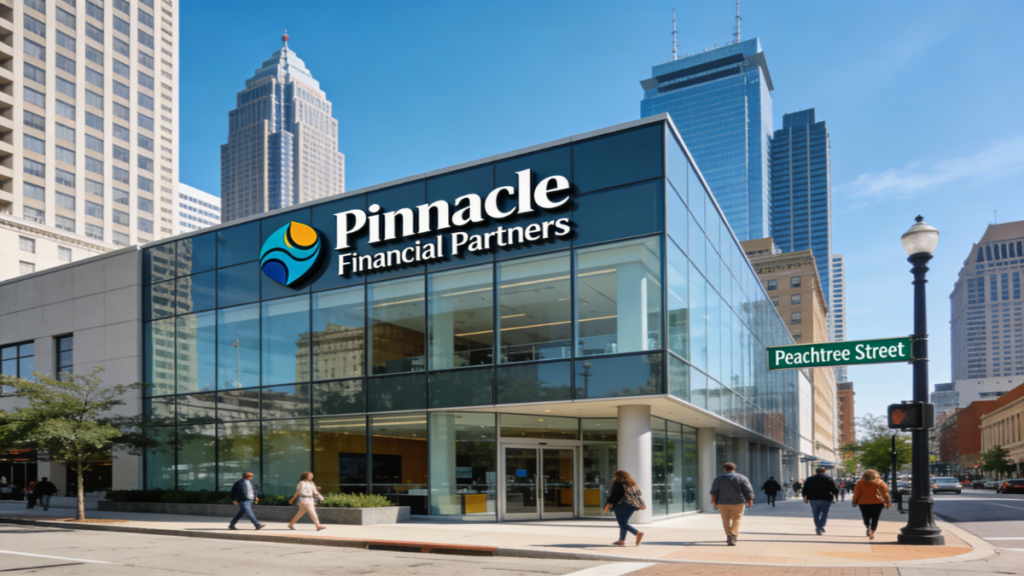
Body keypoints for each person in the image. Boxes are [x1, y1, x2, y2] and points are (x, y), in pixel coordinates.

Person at [710, 462, 754, 546]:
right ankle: (733, 535)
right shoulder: (742, 478)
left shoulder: (718, 479)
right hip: (738, 502)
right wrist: (750, 500)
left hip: (722, 502)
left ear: (724, 469)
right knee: (737, 519)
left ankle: (729, 535)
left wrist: (713, 500)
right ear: (734, 469)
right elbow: (748, 490)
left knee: (725, 520)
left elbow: (714, 491)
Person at [602, 469, 645, 547]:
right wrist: (642, 504)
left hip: (621, 505)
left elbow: (614, 495)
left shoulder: (618, 484)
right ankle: (621, 540)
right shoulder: (632, 484)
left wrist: (608, 504)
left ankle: (637, 533)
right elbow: (638, 494)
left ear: (617, 476)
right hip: (632, 506)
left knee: (622, 523)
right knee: (624, 522)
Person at [852, 469, 891, 540]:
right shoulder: (880, 482)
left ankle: (868, 527)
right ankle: (872, 532)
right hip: (878, 502)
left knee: (865, 517)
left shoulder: (859, 483)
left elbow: (856, 493)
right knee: (875, 518)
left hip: (863, 502)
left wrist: (854, 501)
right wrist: (888, 502)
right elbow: (885, 494)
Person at [802, 467, 840, 535]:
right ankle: (821, 525)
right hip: (826, 498)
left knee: (815, 513)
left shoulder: (810, 479)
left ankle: (818, 526)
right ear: (825, 471)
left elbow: (805, 489)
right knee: (824, 513)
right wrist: (836, 495)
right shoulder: (828, 478)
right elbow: (834, 489)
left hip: (813, 498)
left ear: (816, 471)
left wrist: (805, 496)